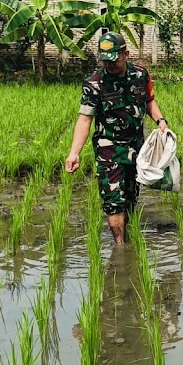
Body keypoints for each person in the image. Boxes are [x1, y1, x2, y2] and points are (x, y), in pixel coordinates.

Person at [65, 32, 168, 244]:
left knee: (130, 197)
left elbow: (149, 101)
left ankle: (126, 237)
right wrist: (74, 152)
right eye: (105, 60)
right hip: (108, 149)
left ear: (125, 54)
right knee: (113, 200)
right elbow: (85, 120)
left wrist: (161, 121)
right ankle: (120, 249)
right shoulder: (94, 83)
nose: (109, 65)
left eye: (114, 59)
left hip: (136, 147)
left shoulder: (141, 75)